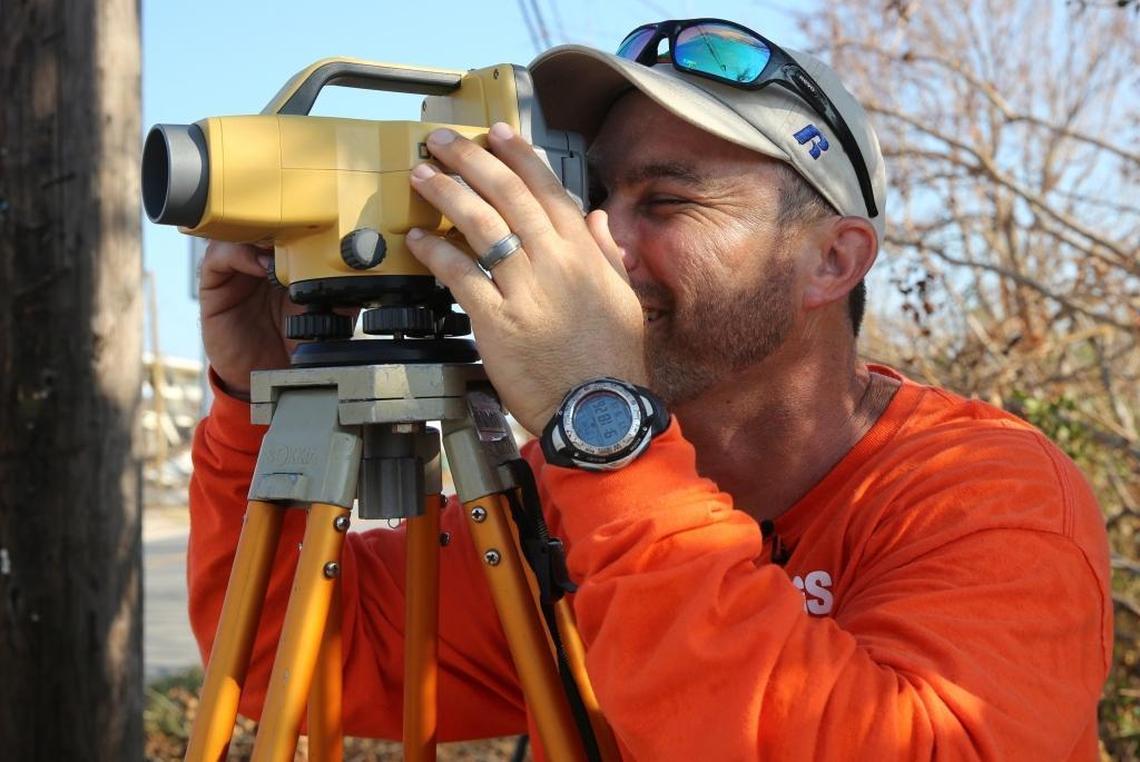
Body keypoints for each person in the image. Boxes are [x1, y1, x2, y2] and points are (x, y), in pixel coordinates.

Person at [189, 18, 1112, 760]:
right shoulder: (569, 506)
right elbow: (304, 661)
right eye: (592, 197)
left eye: (666, 203)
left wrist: (600, 422)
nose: (600, 245)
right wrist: (245, 399)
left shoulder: (986, 494)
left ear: (832, 259)